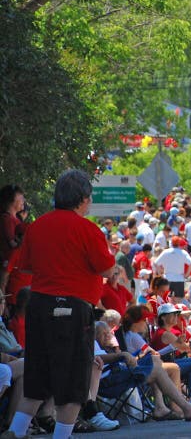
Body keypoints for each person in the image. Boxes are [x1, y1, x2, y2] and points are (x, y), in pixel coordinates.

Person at [3, 170, 116, 439]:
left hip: (39, 305)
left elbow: (27, 266)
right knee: (74, 382)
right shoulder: (87, 229)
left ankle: (15, 432)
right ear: (81, 200)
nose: (89, 203)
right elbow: (108, 269)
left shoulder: (38, 225)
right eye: (88, 198)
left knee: (36, 375)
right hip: (74, 308)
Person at [0, 184, 28, 294]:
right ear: (11, 200)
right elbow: (13, 245)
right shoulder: (6, 219)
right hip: (10, 274)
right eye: (20, 197)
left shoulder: (15, 219)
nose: (23, 200)